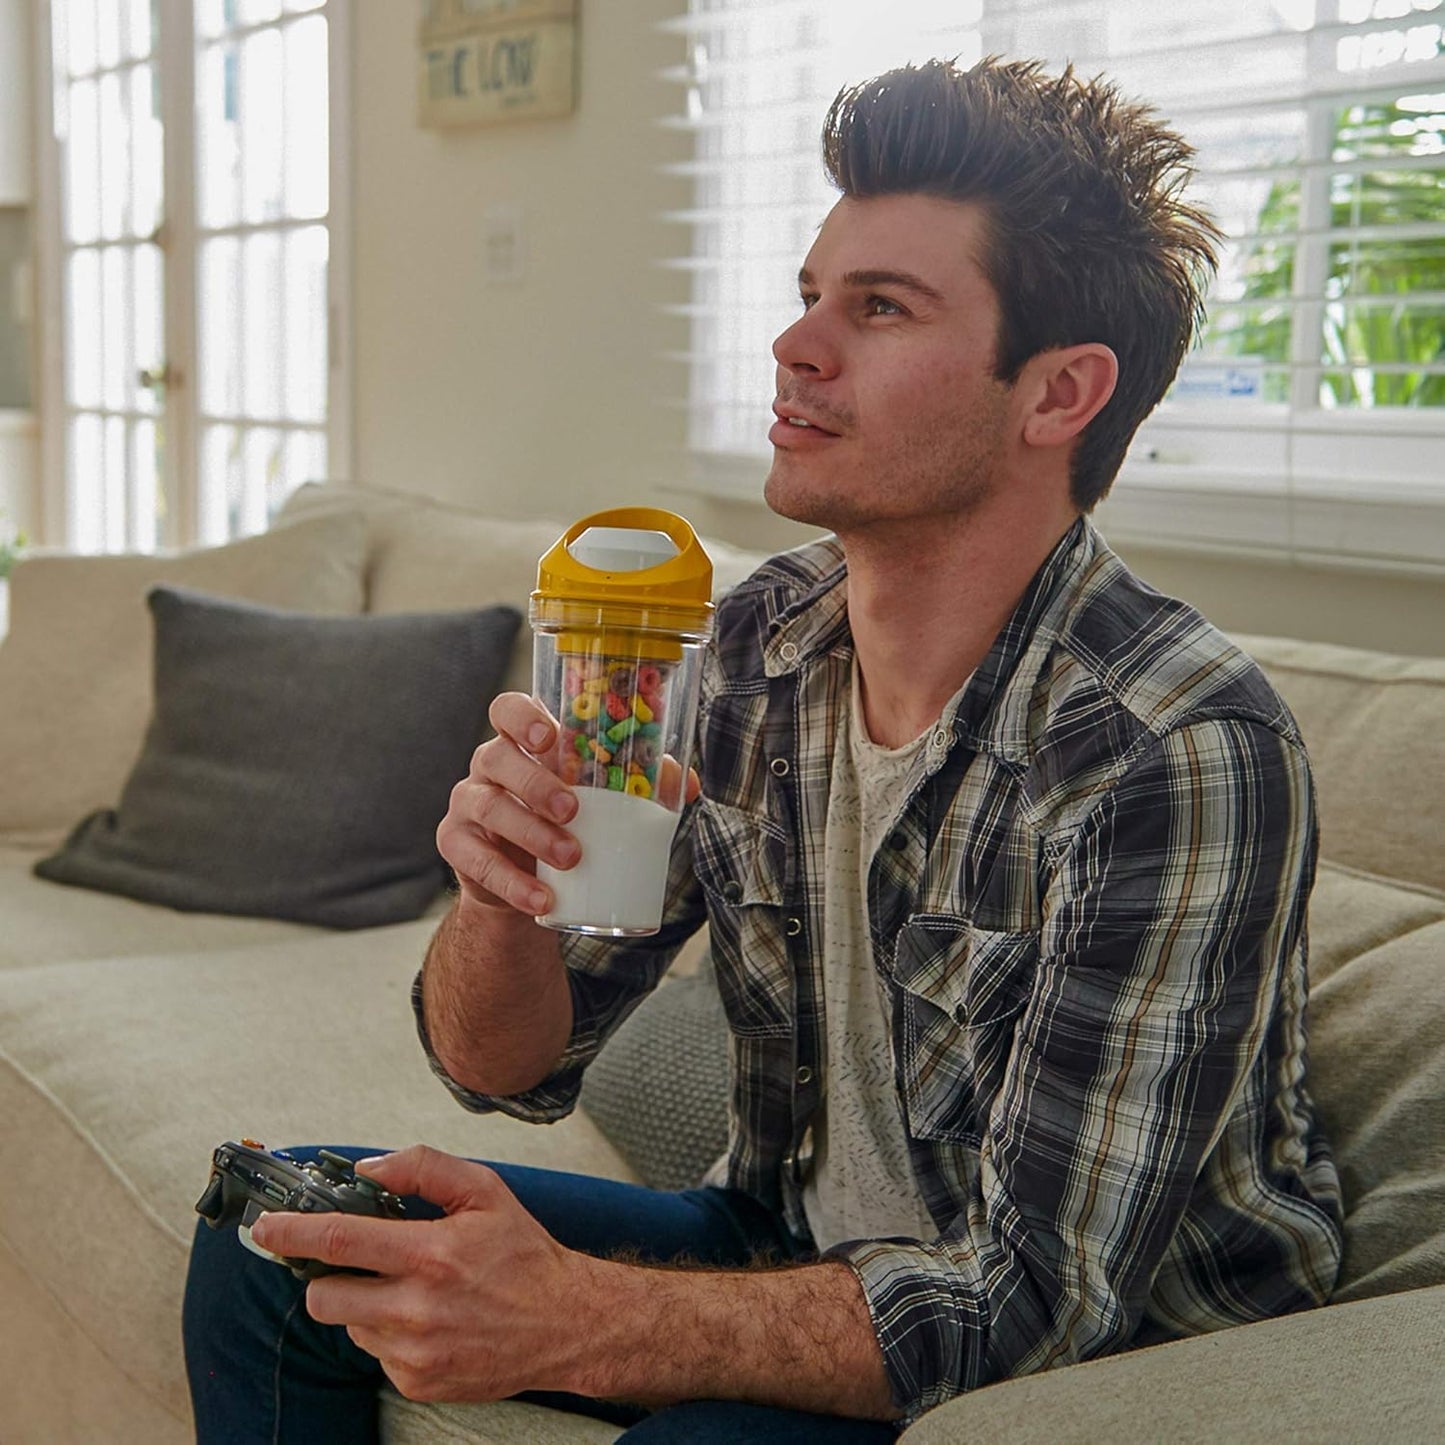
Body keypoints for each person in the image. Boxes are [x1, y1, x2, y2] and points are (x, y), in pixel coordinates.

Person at [183, 56, 1344, 1443]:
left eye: (879, 308)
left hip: (1104, 1353)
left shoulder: (1172, 745)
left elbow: (1033, 1296)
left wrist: (574, 1314)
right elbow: (508, 1069)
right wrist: (501, 895)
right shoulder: (749, 647)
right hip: (786, 1226)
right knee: (279, 1232)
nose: (796, 345)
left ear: (1057, 394)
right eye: (808, 295)